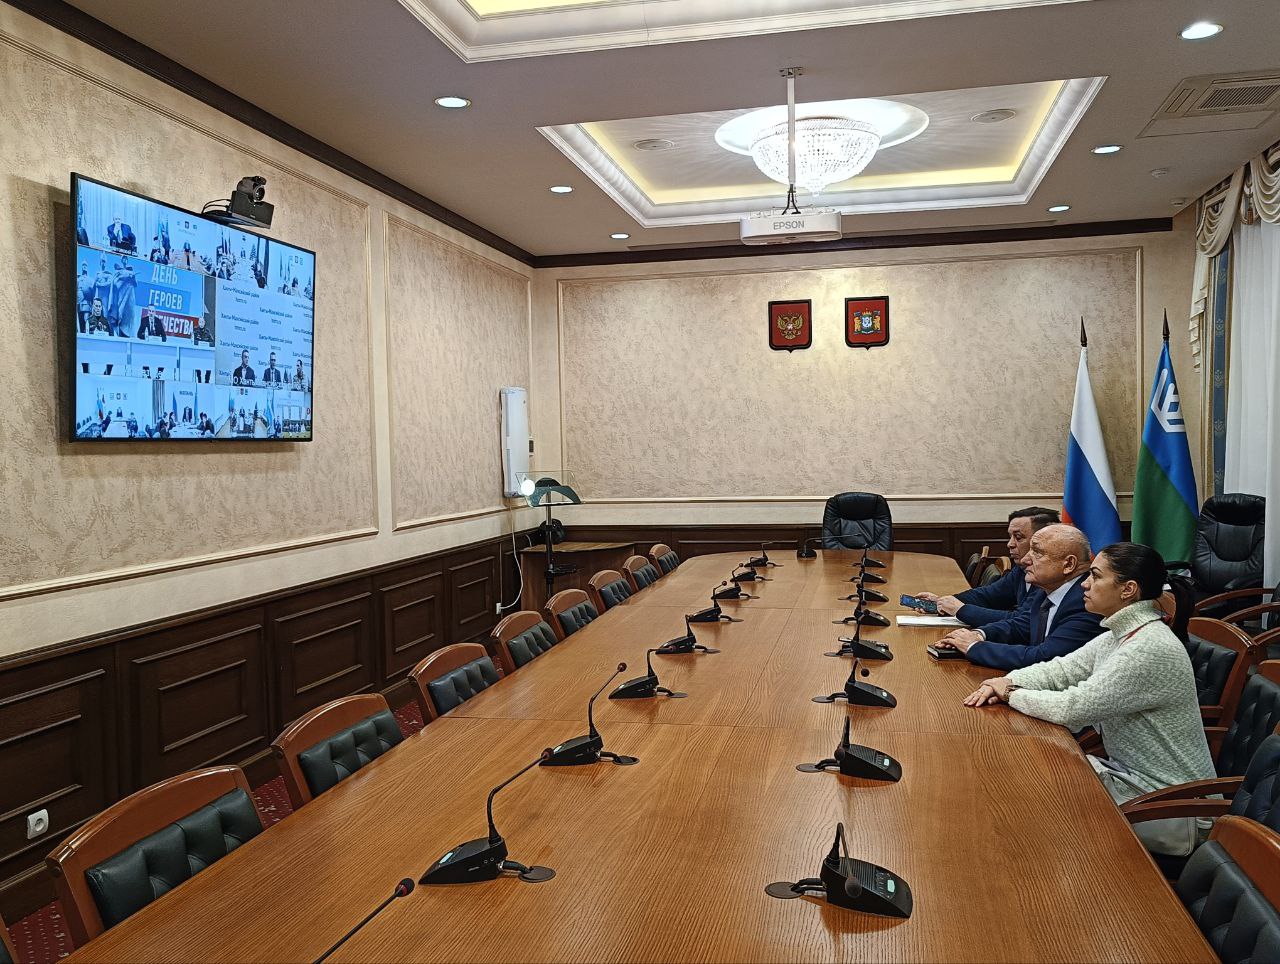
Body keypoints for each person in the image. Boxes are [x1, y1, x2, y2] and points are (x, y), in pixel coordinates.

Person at [963, 543, 1211, 855]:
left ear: (1128, 589)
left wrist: (1011, 694)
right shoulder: (1119, 634)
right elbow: (1061, 670)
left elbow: (1074, 708)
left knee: (1026, 801)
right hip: (1132, 783)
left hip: (1173, 808)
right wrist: (1008, 680)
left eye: (1095, 576)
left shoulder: (1148, 647)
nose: (1084, 584)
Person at [934, 523, 1102, 670]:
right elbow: (1021, 625)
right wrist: (979, 634)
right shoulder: (1049, 588)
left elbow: (1045, 658)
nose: (1025, 559)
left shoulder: (1087, 601)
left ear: (1069, 564)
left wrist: (973, 646)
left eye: (1037, 552)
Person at [917, 507, 1060, 626]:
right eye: (1010, 537)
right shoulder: (1021, 569)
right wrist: (943, 602)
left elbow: (1021, 621)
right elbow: (987, 595)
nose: (1009, 544)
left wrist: (961, 610)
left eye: (1018, 537)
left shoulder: (1050, 577)